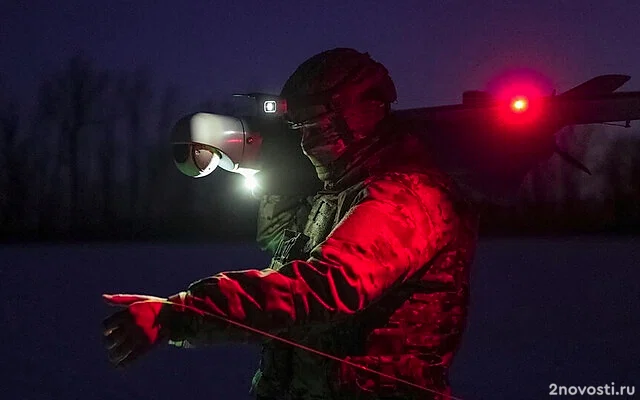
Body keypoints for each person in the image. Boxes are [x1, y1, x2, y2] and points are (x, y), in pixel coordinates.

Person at [102, 48, 479, 400]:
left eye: (318, 128)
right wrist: (273, 174)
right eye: (299, 131)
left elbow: (321, 288)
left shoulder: (407, 197)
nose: (306, 144)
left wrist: (179, 313)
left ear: (358, 118)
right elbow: (278, 243)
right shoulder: (338, 194)